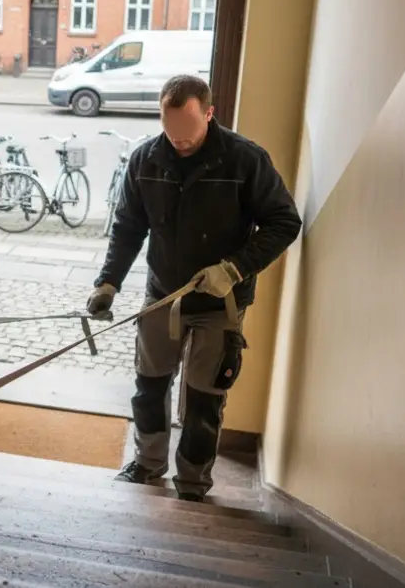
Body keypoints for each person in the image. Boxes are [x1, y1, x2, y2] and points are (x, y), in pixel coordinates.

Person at [86, 74, 300, 501]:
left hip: (221, 303)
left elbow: (285, 222)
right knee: (149, 387)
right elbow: (128, 227)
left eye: (188, 131)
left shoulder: (245, 161)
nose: (179, 141)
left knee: (205, 400)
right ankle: (147, 466)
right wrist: (108, 283)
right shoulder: (145, 160)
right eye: (170, 131)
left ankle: (193, 483)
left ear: (209, 113)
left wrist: (235, 269)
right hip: (163, 295)